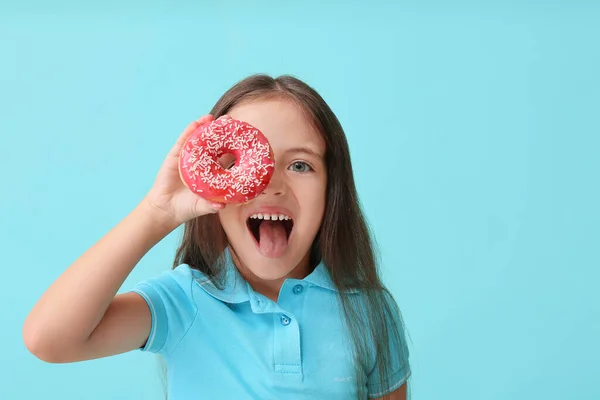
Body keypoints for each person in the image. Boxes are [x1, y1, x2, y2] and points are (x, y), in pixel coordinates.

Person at [23, 75, 411, 399]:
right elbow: (49, 339)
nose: (269, 184)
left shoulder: (369, 311)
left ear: (332, 189)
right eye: (239, 164)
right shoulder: (183, 302)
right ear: (213, 191)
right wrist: (157, 213)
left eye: (299, 164)